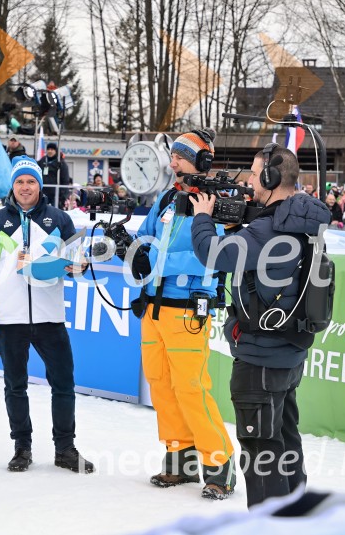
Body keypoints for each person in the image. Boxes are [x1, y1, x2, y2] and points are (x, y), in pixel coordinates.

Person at [190, 143, 331, 508]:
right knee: (283, 439)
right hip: (288, 350)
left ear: (270, 177)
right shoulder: (302, 221)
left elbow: (214, 253)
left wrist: (203, 217)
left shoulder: (268, 230)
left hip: (260, 356)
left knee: (259, 448)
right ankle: (295, 512)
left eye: (253, 174)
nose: (249, 182)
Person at [128, 130, 236, 501]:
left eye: (180, 156)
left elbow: (207, 253)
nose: (172, 162)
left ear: (202, 162)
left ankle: (219, 464)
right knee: (160, 383)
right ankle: (180, 456)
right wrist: (130, 248)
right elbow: (144, 237)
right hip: (153, 308)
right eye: (172, 156)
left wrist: (154, 259)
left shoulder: (216, 203)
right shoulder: (167, 198)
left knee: (192, 387)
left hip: (188, 310)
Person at [0, 155, 94, 475]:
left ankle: (65, 448)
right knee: (15, 385)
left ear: (40, 185)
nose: (25, 187)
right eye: (20, 181)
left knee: (63, 383)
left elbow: (75, 264)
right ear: (12, 186)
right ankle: (22, 447)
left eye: (31, 181)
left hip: (49, 317)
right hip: (10, 318)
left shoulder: (59, 220)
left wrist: (78, 265)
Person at [38, 143, 71, 208]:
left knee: (55, 213)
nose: (50, 151)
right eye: (48, 149)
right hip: (43, 193)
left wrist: (63, 195)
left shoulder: (61, 163)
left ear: (56, 151)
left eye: (52, 149)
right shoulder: (42, 161)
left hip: (56, 194)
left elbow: (65, 180)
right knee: (42, 212)